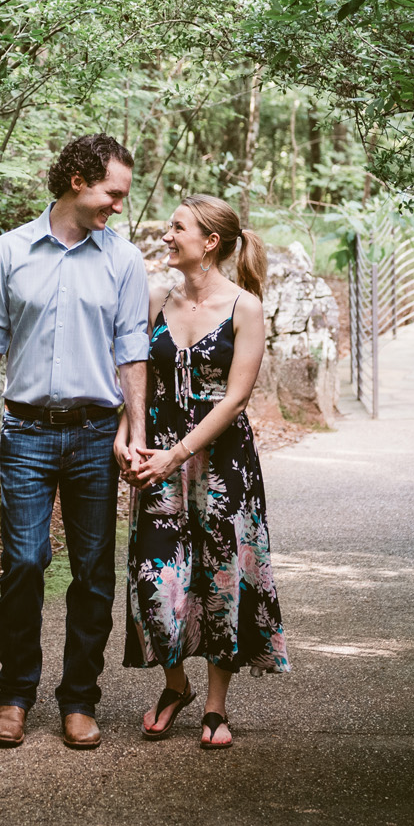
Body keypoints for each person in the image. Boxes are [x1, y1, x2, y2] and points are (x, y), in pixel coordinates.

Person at [0, 134, 149, 751]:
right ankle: (14, 695)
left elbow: (132, 347)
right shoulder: (11, 250)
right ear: (78, 181)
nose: (117, 206)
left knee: (93, 571)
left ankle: (79, 701)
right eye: (112, 194)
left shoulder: (124, 259)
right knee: (24, 564)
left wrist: (136, 428)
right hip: (27, 429)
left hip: (96, 433)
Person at [122, 194, 291, 749]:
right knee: (153, 578)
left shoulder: (246, 307)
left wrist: (178, 453)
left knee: (221, 577)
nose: (167, 236)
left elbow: (235, 399)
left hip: (222, 465)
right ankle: (176, 687)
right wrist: (130, 437)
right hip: (158, 461)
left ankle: (215, 706)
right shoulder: (154, 297)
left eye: (177, 228)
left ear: (209, 242)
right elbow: (133, 376)